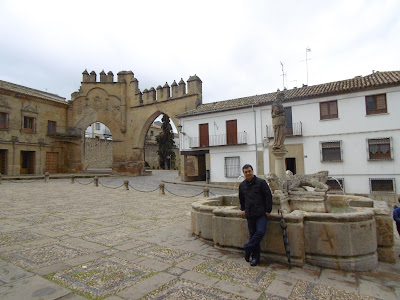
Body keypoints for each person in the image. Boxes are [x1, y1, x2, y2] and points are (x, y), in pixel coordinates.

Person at [239, 164, 273, 266]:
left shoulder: (261, 182)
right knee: (253, 235)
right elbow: (242, 199)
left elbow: (268, 196)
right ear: (244, 173)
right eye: (246, 172)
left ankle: (247, 247)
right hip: (249, 214)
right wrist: (243, 209)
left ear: (252, 171)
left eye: (249, 171)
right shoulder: (242, 185)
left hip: (261, 213)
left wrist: (268, 210)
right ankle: (255, 258)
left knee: (260, 232)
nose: (248, 173)